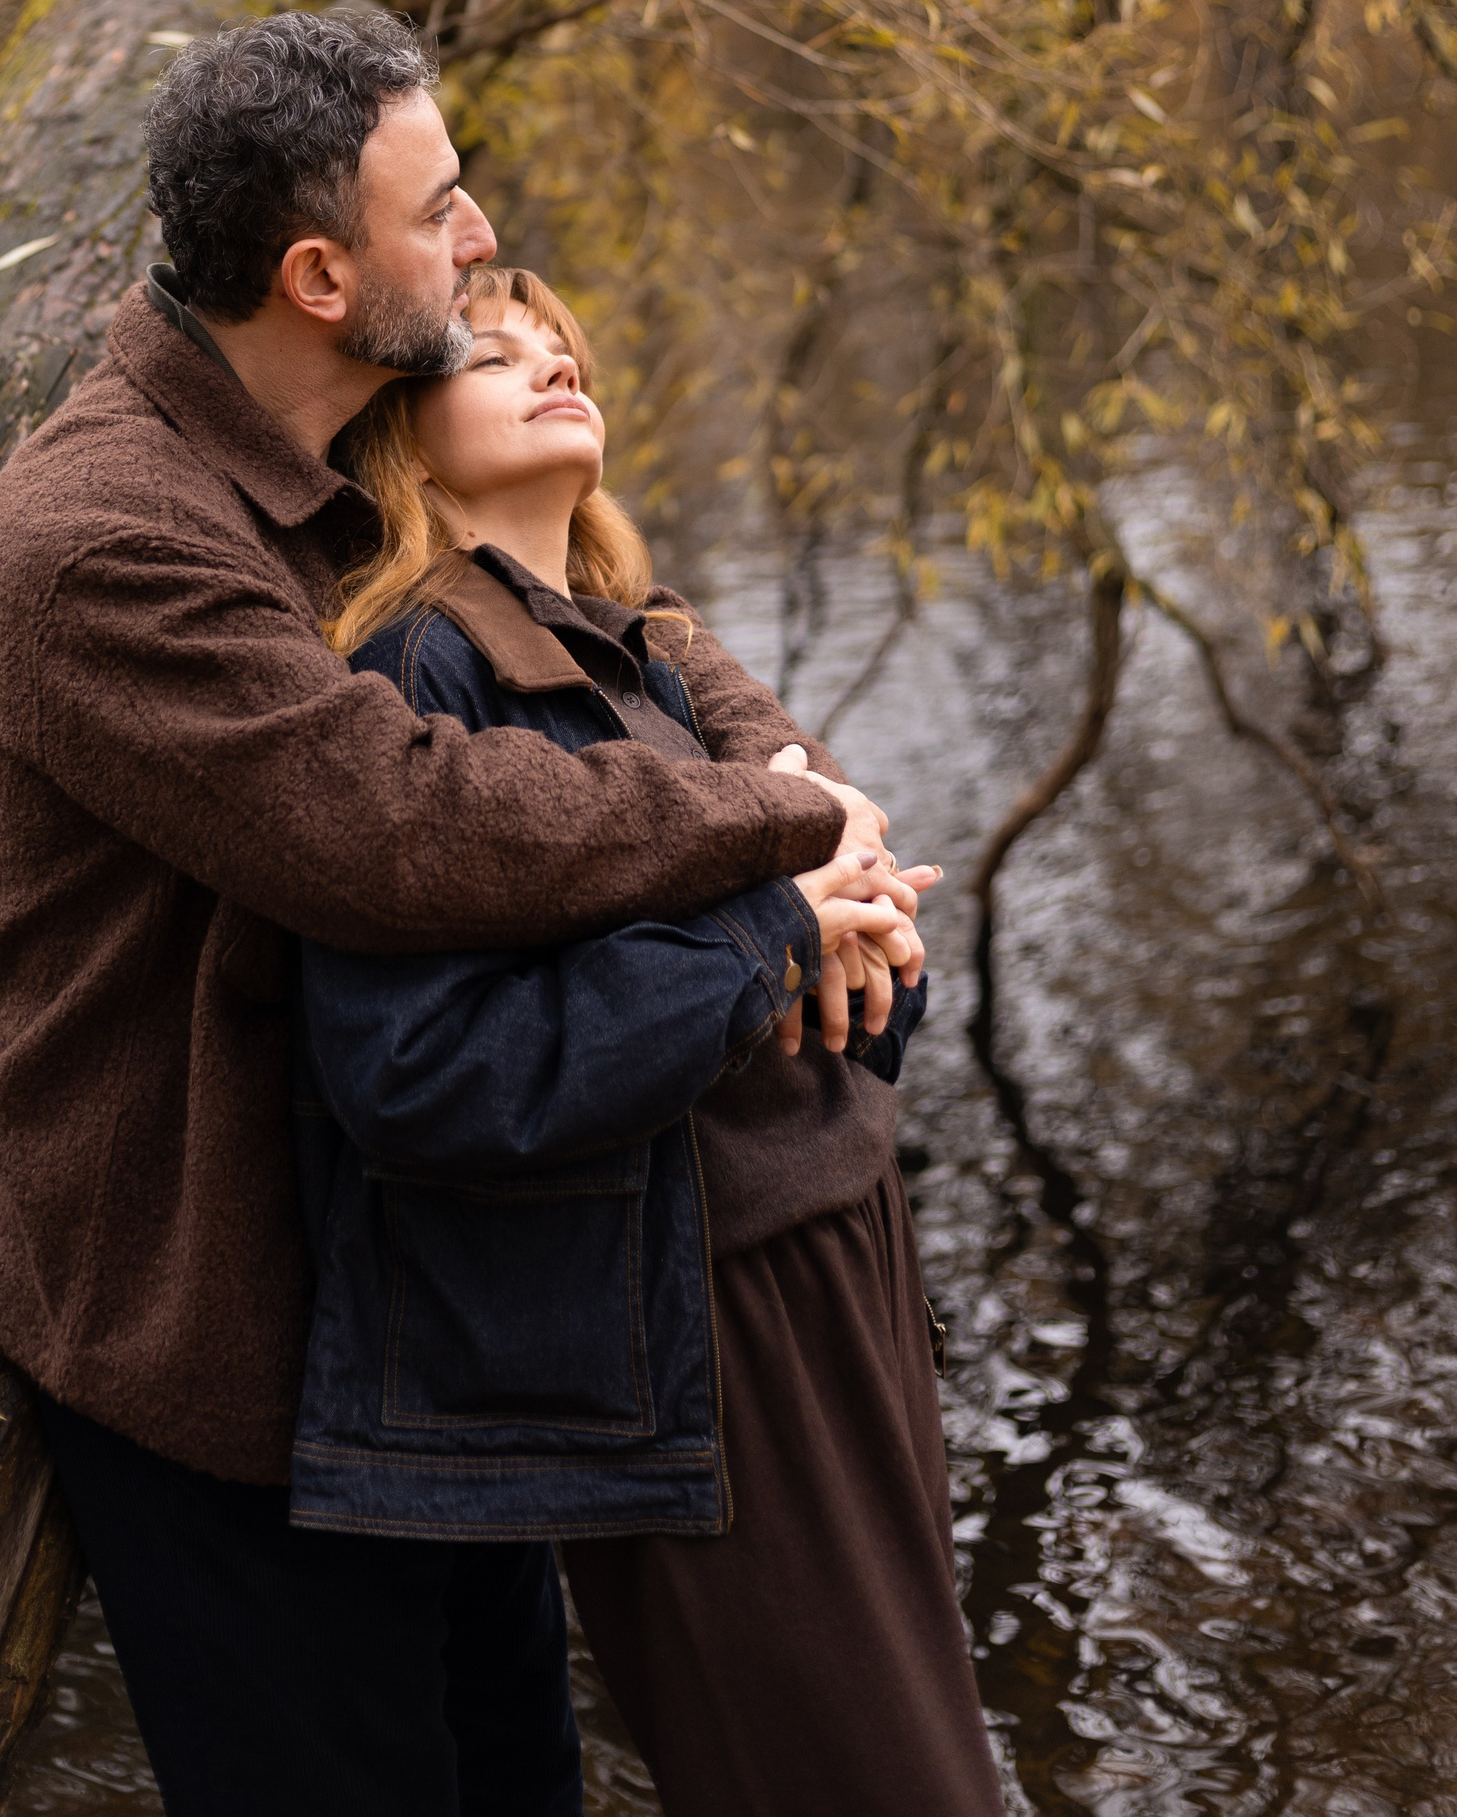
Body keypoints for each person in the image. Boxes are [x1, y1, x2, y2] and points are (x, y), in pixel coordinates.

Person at [0, 8, 894, 1817]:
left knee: (520, 1778)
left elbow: (632, 612)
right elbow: (395, 826)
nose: (481, 238)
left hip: (438, 1298)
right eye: (440, 206)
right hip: (227, 1336)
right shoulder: (103, 537)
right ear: (319, 278)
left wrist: (800, 790)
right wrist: (772, 837)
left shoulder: (352, 406)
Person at [292, 265, 1005, 1817]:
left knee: (924, 1750)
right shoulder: (420, 669)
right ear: (399, 425)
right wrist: (771, 937)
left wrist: (864, 937)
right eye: (495, 354)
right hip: (704, 1310)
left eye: (564, 349)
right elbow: (427, 1071)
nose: (554, 367)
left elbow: (827, 942)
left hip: (845, 1253)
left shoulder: (643, 646)